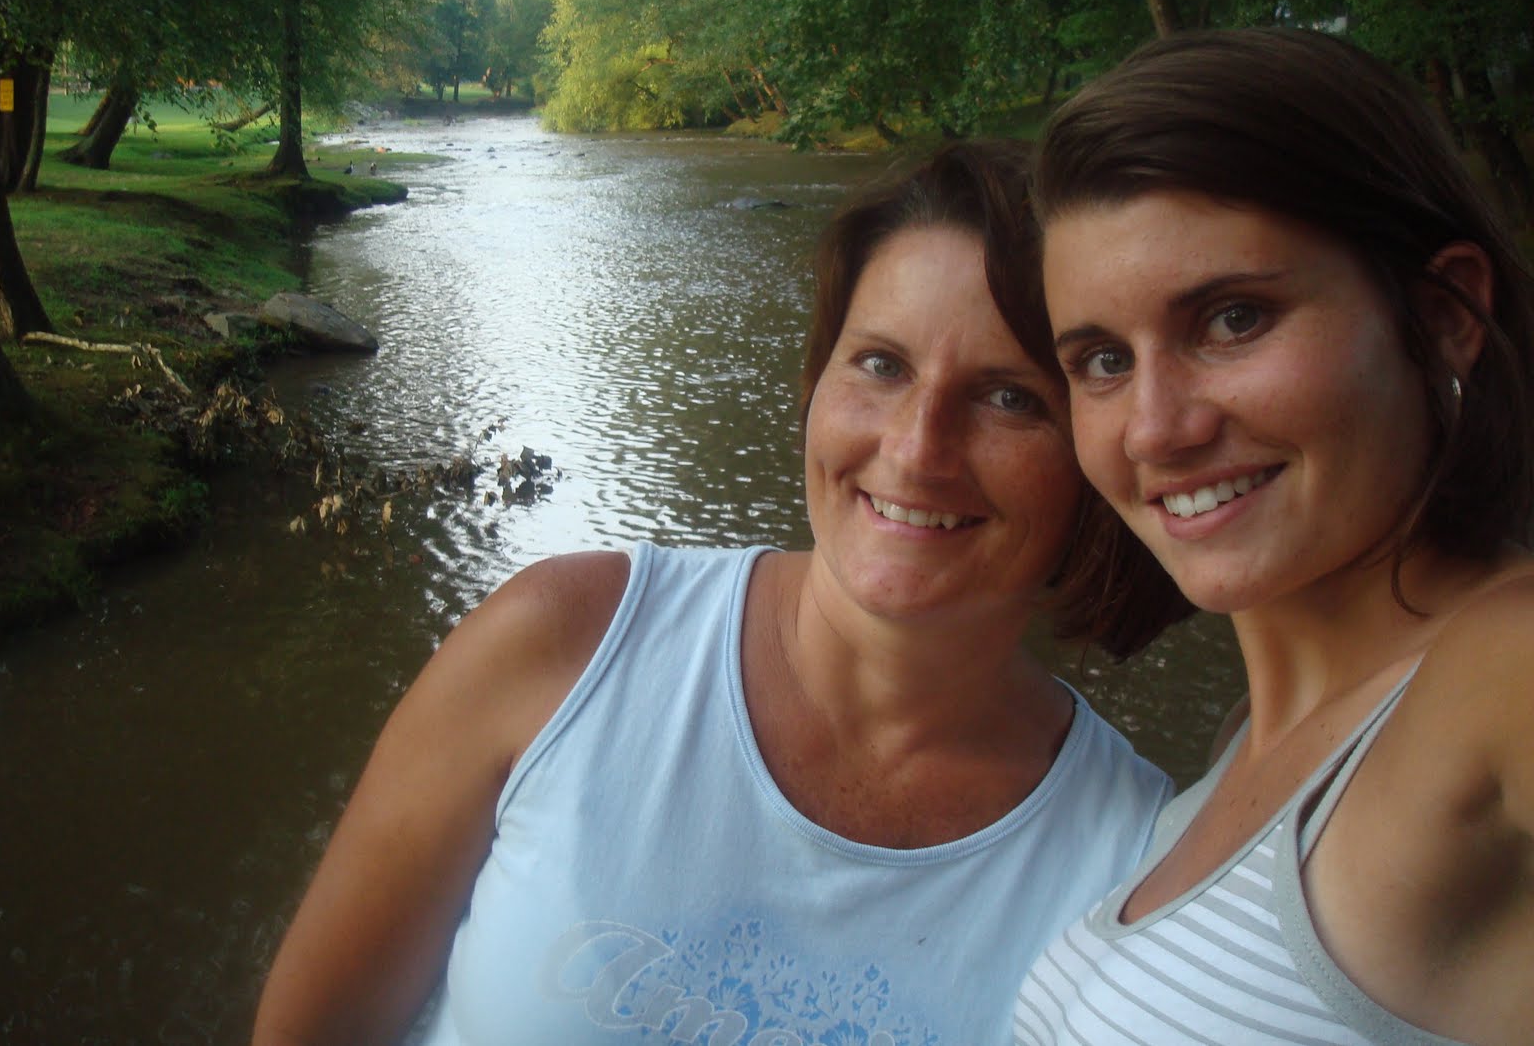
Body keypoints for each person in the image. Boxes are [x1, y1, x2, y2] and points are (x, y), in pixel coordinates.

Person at [250, 141, 1176, 1046]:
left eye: (1009, 397)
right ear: (815, 383)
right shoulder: (561, 646)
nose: (915, 448)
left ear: (1095, 455)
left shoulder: (1137, 867)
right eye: (881, 364)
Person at [1013, 27, 1534, 1046]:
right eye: (1104, 360)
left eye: (1233, 319)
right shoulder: (1243, 743)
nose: (1155, 429)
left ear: (1444, 315)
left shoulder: (1502, 669)